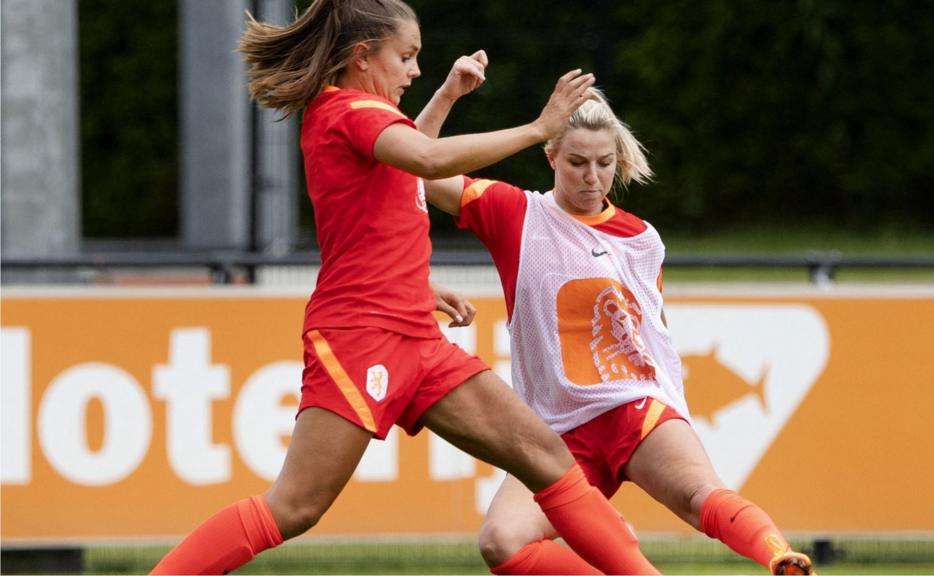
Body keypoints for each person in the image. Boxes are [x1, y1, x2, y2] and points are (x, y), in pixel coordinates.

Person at [150, 1, 660, 574]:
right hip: (360, 335)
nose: (414, 70)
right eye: (407, 56)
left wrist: (444, 102)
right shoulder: (348, 110)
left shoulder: (362, 114)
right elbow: (426, 159)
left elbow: (398, 182)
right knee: (295, 506)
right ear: (363, 57)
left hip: (416, 334)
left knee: (547, 457)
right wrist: (540, 129)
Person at [421, 84, 817, 575]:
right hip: (556, 432)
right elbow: (414, 168)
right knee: (502, 541)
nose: (593, 177)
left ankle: (782, 557)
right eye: (577, 163)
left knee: (700, 495)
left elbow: (655, 331)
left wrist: (670, 402)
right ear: (550, 156)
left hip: (633, 407)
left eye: (604, 163)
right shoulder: (517, 214)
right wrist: (448, 94)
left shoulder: (642, 237)